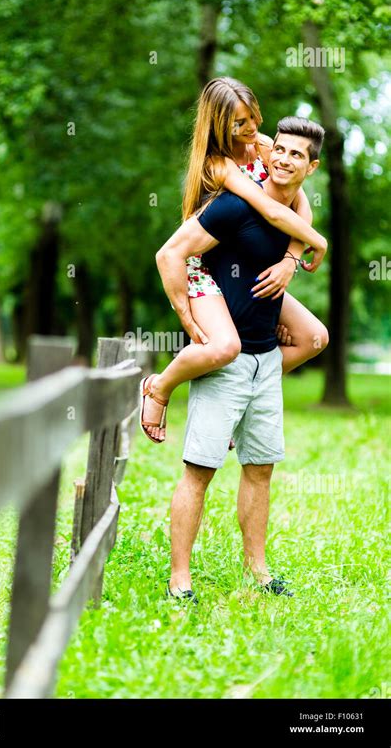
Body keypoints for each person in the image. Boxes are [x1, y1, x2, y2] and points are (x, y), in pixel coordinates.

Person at [156, 115, 326, 600]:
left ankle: (258, 569)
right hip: (226, 362)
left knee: (260, 469)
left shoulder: (296, 210)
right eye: (282, 150)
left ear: (310, 168)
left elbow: (299, 226)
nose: (286, 159)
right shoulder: (233, 206)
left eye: (298, 155)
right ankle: (180, 578)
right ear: (270, 153)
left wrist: (294, 260)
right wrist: (189, 320)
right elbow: (175, 252)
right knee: (200, 470)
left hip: (266, 360)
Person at [140, 78, 329, 443]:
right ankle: (159, 387)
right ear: (217, 125)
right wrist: (186, 315)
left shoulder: (263, 146)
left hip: (247, 270)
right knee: (225, 346)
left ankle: (243, 395)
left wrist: (291, 258)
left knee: (314, 337)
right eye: (239, 123)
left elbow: (300, 203)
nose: (252, 128)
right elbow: (272, 211)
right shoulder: (218, 165)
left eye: (253, 117)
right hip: (203, 269)